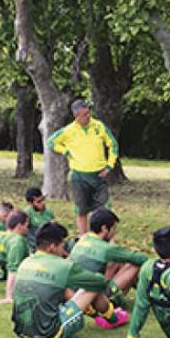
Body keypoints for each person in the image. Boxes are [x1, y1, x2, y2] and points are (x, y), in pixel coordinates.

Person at [12, 222, 124, 338]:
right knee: (93, 287)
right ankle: (112, 318)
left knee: (62, 287)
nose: (63, 250)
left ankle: (98, 314)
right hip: (48, 333)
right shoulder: (63, 266)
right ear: (52, 247)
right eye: (62, 245)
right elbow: (100, 282)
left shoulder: (26, 262)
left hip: (21, 331)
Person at [47, 99, 119, 236]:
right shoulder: (68, 130)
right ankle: (83, 238)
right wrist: (65, 151)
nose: (88, 116)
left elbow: (113, 144)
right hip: (79, 176)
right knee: (81, 210)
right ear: (76, 116)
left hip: (99, 175)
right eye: (84, 114)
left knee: (104, 210)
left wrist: (109, 166)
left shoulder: (99, 126)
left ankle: (106, 239)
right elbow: (51, 142)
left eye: (88, 113)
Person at [69, 208, 147, 309]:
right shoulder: (107, 249)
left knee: (116, 262)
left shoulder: (82, 239)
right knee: (133, 265)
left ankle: (147, 296)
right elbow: (140, 259)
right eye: (113, 229)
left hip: (75, 295)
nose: (114, 233)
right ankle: (150, 296)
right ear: (105, 228)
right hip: (96, 299)